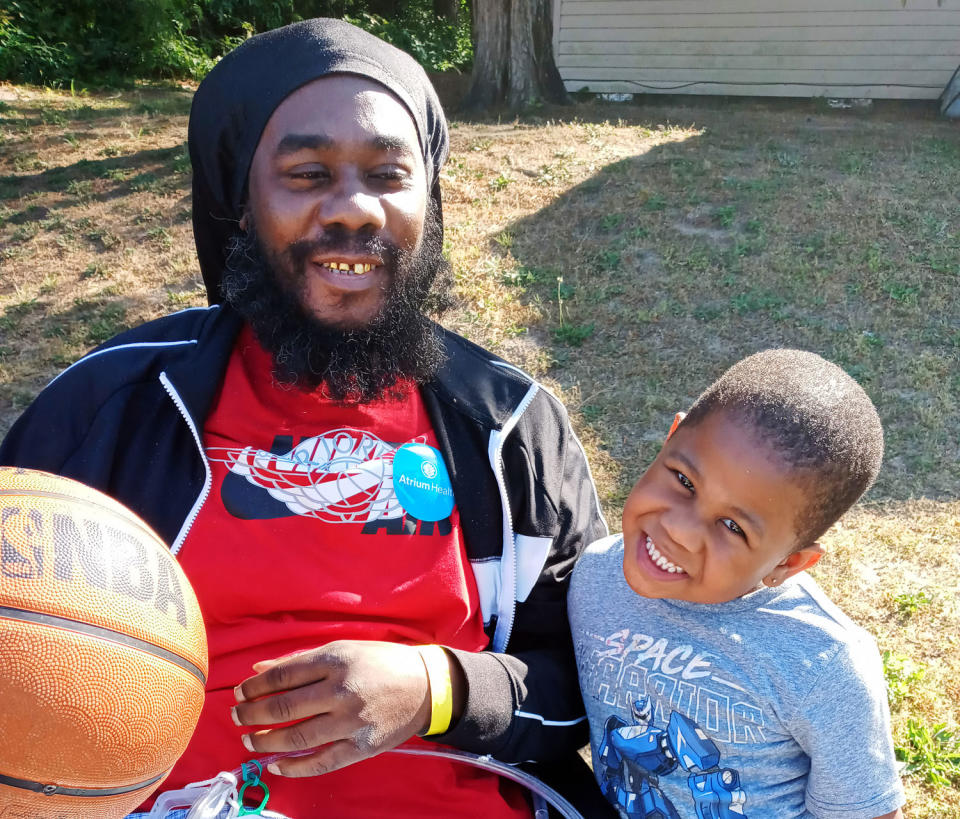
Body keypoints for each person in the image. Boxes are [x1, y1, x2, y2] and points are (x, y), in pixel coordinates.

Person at [0, 19, 608, 818]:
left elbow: (602, 684)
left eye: (389, 173)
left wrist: (438, 686)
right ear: (240, 204)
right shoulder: (116, 403)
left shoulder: (510, 427)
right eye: (307, 172)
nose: (354, 209)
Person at [568, 349, 905, 819]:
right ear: (670, 438)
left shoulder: (825, 664)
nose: (680, 530)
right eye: (684, 479)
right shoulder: (593, 576)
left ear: (789, 564)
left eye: (733, 527)